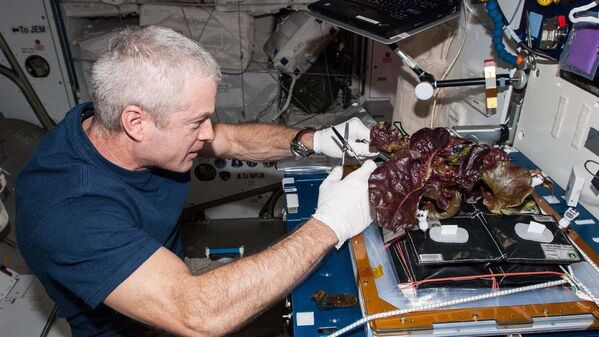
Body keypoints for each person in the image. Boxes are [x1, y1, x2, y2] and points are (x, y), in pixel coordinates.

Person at [16, 25, 377, 337]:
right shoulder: (69, 211)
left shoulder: (110, 124)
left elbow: (231, 139)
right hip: (140, 323)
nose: (208, 134)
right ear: (136, 122)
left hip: (173, 274)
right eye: (196, 123)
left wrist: (313, 140)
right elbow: (196, 314)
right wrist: (331, 223)